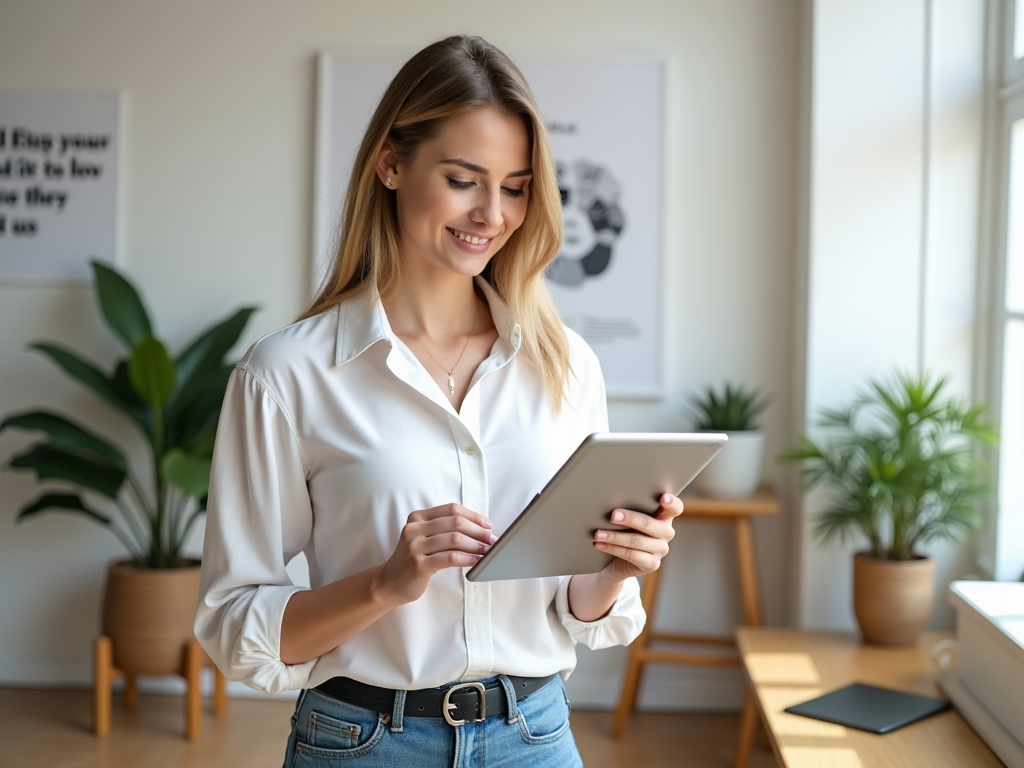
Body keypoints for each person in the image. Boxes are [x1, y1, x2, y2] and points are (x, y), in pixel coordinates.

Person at [194, 35, 684, 768]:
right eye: (464, 180)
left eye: (516, 186)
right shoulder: (287, 374)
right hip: (362, 743)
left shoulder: (566, 366)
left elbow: (574, 612)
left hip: (535, 736)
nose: (493, 212)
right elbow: (235, 627)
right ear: (391, 163)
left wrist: (614, 572)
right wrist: (385, 584)